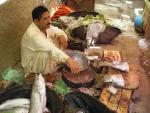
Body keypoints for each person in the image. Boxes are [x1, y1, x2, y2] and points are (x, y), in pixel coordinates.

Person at [21, 5, 80, 77]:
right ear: (36, 21)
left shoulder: (44, 25)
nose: (49, 20)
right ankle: (45, 75)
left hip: (43, 50)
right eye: (45, 19)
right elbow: (51, 48)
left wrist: (61, 36)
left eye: (49, 17)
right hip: (31, 65)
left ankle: (54, 64)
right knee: (48, 54)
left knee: (59, 39)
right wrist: (68, 60)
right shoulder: (33, 35)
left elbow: (56, 30)